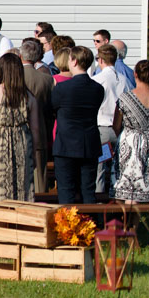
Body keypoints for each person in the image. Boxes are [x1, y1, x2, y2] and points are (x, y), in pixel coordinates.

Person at [112, 60, 149, 247]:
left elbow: (116, 126)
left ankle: (132, 232)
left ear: (135, 74)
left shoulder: (125, 98)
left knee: (130, 192)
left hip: (131, 145)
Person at [0, 53, 41, 204]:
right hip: (22, 141)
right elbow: (35, 129)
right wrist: (34, 152)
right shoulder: (29, 97)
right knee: (22, 184)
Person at [52, 46, 105, 204]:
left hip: (65, 145)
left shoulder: (61, 88)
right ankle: (89, 225)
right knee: (88, 190)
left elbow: (52, 108)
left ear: (74, 61)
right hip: (89, 143)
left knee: (66, 190)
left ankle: (68, 227)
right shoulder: (97, 88)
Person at [19, 40, 54, 193]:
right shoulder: (46, 79)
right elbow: (51, 107)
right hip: (40, 129)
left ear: (20, 56)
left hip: (19, 130)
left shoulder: (15, 78)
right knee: (39, 177)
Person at [94, 43, 129, 199]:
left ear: (100, 60)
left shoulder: (97, 79)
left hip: (102, 130)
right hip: (120, 129)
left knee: (99, 172)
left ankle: (100, 204)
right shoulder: (124, 80)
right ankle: (118, 201)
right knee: (118, 169)